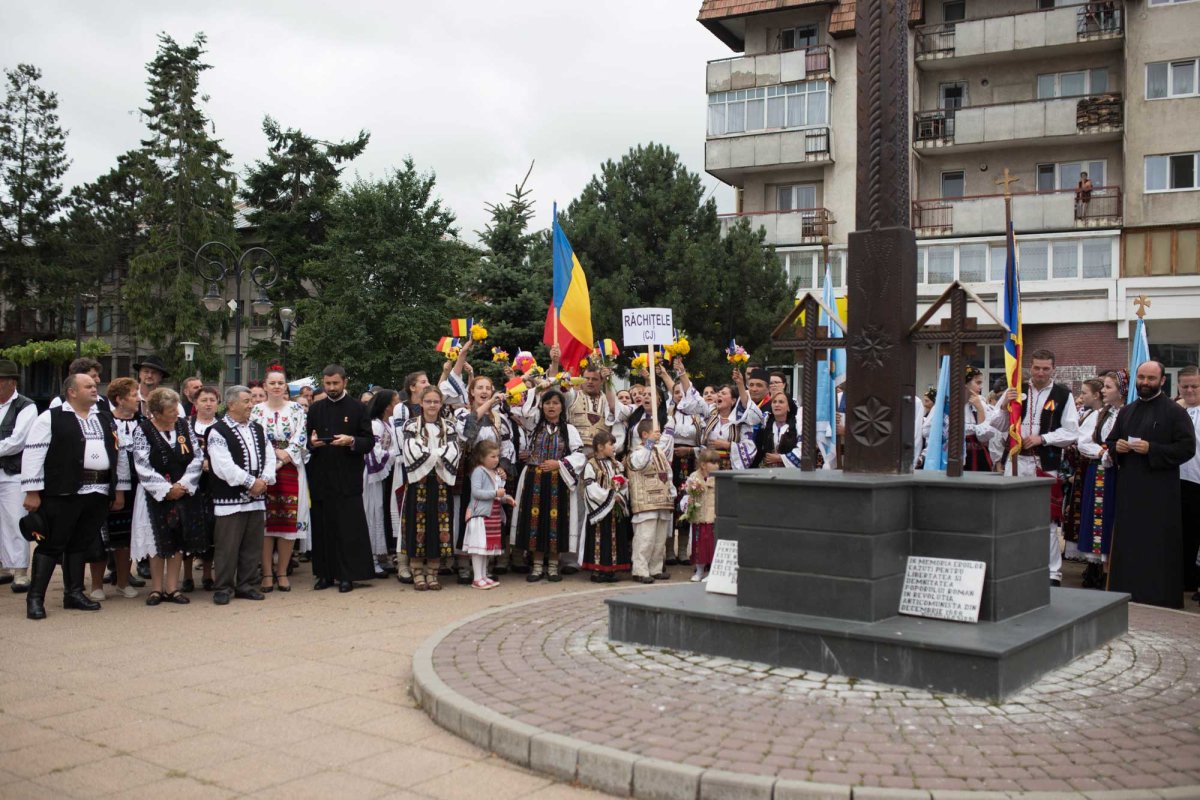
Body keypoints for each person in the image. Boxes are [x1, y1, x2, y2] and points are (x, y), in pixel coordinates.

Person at [20, 373, 129, 620]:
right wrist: (32, 491)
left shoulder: (104, 418)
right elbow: (34, 453)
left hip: (98, 492)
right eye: (88, 386)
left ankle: (74, 593)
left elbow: (118, 454)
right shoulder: (51, 417)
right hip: (63, 492)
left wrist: (118, 489)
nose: (94, 389)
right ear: (72, 392)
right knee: (51, 544)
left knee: (80, 544)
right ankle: (35, 598)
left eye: (94, 386)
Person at [1106, 361, 1196, 608]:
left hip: (1160, 493)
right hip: (1130, 491)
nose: (1145, 383)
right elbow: (1111, 441)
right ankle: (1126, 593)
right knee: (1130, 545)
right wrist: (1118, 447)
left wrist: (1152, 449)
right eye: (1141, 377)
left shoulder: (1175, 412)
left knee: (1157, 547)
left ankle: (1159, 597)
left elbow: (1186, 448)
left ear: (1162, 381)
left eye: (1151, 379)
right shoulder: (1127, 411)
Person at [994, 349, 1080, 586]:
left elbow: (1072, 432)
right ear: (1029, 367)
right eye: (1036, 368)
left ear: (1054, 369)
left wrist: (1043, 438)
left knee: (1047, 519)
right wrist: (1004, 406)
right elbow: (996, 425)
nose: (1040, 373)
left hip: (1045, 463)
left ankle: (1052, 572)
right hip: (1015, 461)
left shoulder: (1063, 394)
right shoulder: (1016, 390)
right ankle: (1015, 565)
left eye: (1045, 368)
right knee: (1012, 516)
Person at [130, 388, 206, 606]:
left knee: (178, 540)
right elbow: (141, 464)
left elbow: (197, 456)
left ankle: (173, 588)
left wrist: (182, 484)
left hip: (184, 491)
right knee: (157, 541)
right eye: (170, 410)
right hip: (154, 494)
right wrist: (165, 489)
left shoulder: (183, 426)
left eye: (176, 408)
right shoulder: (143, 430)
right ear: (156, 412)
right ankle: (156, 588)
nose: (175, 413)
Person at [306, 365, 376, 592]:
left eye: (335, 383)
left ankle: (347, 575)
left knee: (347, 529)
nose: (332, 388)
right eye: (327, 384)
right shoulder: (315, 408)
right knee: (323, 527)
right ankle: (324, 574)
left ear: (344, 382)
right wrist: (312, 443)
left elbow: (368, 441)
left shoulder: (358, 408)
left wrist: (351, 441)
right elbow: (308, 439)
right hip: (321, 477)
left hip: (347, 477)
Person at [206, 385, 276, 604]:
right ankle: (224, 586)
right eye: (246, 401)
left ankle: (246, 584)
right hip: (230, 499)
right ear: (231, 404)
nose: (251, 404)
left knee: (252, 544)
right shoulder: (218, 431)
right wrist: (250, 482)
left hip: (256, 499)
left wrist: (264, 480)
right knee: (228, 545)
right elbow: (222, 466)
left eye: (251, 401)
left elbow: (270, 456)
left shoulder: (257, 428)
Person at [511, 388, 584, 582]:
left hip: (558, 480)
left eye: (555, 403)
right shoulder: (533, 424)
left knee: (555, 522)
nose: (551, 406)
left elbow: (579, 455)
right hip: (534, 478)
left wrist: (559, 463)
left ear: (562, 407)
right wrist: (537, 386)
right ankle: (536, 566)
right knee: (534, 521)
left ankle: (552, 566)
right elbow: (524, 410)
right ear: (541, 406)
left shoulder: (569, 430)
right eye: (547, 403)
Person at [250, 367, 310, 593]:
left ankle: (282, 571)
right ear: (265, 386)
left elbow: (301, 435)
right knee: (266, 524)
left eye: (280, 383)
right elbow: (253, 437)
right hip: (263, 468)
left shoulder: (296, 409)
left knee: (287, 522)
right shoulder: (256, 411)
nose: (276, 386)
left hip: (290, 467)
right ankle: (266, 573)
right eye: (272, 383)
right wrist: (271, 456)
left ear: (286, 386)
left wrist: (285, 456)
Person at [455, 375, 516, 581]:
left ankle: (485, 567)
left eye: (488, 389)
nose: (484, 391)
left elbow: (507, 447)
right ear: (471, 391)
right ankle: (464, 564)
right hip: (469, 474)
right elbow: (466, 432)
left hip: (492, 476)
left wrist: (503, 467)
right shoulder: (463, 413)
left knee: (490, 520)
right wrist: (490, 403)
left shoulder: (500, 418)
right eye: (479, 388)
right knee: (470, 520)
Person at [400, 385, 461, 590]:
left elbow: (454, 450)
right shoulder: (411, 425)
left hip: (441, 482)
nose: (432, 405)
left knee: (439, 525)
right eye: (428, 401)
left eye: (436, 401)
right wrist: (437, 455)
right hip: (419, 482)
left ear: (441, 403)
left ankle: (433, 572)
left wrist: (432, 454)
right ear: (421, 403)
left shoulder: (449, 427)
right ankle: (417, 571)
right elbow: (410, 450)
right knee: (417, 525)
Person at [1072, 372, 1124, 588]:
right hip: (1102, 470)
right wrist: (1104, 452)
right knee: (1099, 519)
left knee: (1116, 518)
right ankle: (1100, 571)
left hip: (1122, 472)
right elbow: (1083, 442)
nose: (1103, 390)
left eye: (1108, 387)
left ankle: (1116, 569)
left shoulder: (1128, 413)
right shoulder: (1101, 414)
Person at [100, 377, 143, 599]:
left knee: (129, 535)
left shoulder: (143, 422)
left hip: (140, 485)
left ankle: (124, 581)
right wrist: (118, 491)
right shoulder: (106, 422)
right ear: (119, 399)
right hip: (114, 485)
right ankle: (101, 581)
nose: (139, 399)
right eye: (134, 395)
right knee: (112, 534)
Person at [0, 359, 37, 593]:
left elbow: (18, 441)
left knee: (15, 519)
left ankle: (21, 570)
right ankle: (3, 566)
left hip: (13, 472)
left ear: (12, 382)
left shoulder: (26, 406)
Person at [1061, 377, 1105, 567]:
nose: (1081, 397)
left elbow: (1083, 442)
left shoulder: (1099, 415)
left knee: (1095, 514)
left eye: (1085, 392)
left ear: (1096, 395)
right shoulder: (1091, 414)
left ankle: (1095, 564)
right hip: (1085, 468)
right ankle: (1091, 563)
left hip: (1094, 467)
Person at [627, 418, 676, 584]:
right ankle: (640, 570)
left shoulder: (659, 452)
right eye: (655, 431)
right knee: (645, 538)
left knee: (659, 539)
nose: (659, 434)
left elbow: (667, 473)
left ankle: (655, 568)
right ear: (644, 435)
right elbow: (640, 463)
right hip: (646, 502)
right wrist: (649, 444)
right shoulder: (636, 452)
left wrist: (671, 490)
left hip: (662, 500)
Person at [580, 430, 631, 582]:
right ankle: (597, 570)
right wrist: (608, 496)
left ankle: (610, 570)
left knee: (614, 539)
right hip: (600, 510)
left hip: (614, 509)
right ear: (600, 447)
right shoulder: (591, 465)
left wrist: (622, 488)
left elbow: (621, 481)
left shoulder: (615, 464)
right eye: (611, 444)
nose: (614, 447)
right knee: (599, 539)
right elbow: (589, 487)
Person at [184, 385, 220, 592]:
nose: (208, 403)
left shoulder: (222, 425)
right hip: (191, 484)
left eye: (212, 400)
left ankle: (207, 575)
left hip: (214, 485)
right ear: (195, 404)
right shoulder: (185, 425)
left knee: (211, 529)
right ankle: (187, 576)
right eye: (204, 400)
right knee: (188, 529)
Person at [463, 439, 512, 589]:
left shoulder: (493, 472)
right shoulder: (478, 471)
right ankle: (477, 578)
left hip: (492, 515)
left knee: (486, 548)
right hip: (480, 516)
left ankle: (484, 575)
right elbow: (477, 492)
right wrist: (495, 493)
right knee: (479, 548)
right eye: (492, 456)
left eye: (497, 456)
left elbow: (496, 495)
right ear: (482, 457)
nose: (496, 460)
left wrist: (506, 498)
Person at [364, 389, 400, 578]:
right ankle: (371, 559)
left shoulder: (388, 424)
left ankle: (379, 556)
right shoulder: (375, 425)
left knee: (379, 512)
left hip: (382, 475)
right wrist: (396, 455)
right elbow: (373, 453)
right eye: (396, 402)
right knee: (371, 512)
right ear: (387, 407)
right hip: (371, 476)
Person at [682, 449, 721, 582]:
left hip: (712, 517)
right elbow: (687, 492)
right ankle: (699, 570)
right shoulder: (694, 477)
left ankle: (712, 572)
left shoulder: (718, 478)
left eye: (717, 463)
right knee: (698, 544)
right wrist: (689, 499)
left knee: (710, 544)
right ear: (703, 465)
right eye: (713, 462)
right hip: (698, 516)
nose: (717, 465)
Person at [1178, 365, 1200, 601]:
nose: (1190, 390)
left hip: (1198, 477)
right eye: (1185, 386)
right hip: (1179, 481)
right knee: (1184, 534)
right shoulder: (1175, 410)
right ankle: (1186, 579)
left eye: (1195, 386)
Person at [753, 391, 807, 469]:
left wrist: (780, 458)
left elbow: (803, 450)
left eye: (781, 402)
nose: (777, 405)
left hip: (790, 473)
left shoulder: (797, 425)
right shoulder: (766, 424)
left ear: (788, 407)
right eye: (774, 402)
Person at [962, 366, 1000, 472]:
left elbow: (983, 436)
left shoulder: (981, 403)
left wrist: (979, 409)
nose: (980, 387)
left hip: (979, 456)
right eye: (977, 383)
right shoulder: (949, 405)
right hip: (958, 456)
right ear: (965, 383)